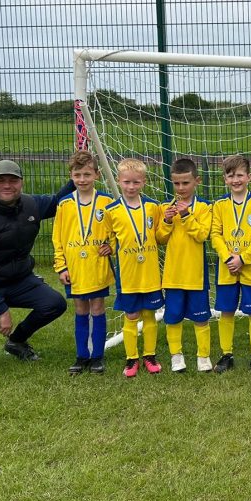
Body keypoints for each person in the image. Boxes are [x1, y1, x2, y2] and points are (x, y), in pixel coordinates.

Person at [0, 159, 74, 375]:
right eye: (0, 180)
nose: (7, 185)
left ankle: (16, 342)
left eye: (13, 180)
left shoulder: (31, 204)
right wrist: (2, 309)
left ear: (22, 183)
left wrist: (77, 178)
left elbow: (58, 201)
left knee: (54, 304)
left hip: (17, 279)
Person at [52, 150, 114, 375]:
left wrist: (112, 247)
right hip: (75, 267)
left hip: (97, 266)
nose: (82, 179)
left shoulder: (107, 202)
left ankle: (97, 356)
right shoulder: (65, 204)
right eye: (77, 175)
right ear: (71, 176)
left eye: (87, 174)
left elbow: (116, 232)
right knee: (80, 309)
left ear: (96, 175)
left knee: (97, 307)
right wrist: (61, 266)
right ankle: (81, 356)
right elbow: (57, 237)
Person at [104, 158, 164, 378]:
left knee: (149, 314)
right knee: (131, 315)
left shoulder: (152, 207)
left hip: (149, 273)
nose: (131, 187)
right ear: (119, 181)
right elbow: (110, 238)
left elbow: (158, 235)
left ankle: (150, 355)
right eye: (127, 182)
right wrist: (107, 247)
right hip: (128, 274)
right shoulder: (112, 210)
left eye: (136, 182)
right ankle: (131, 358)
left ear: (144, 182)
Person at [210, 155, 251, 372]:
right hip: (227, 268)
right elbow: (215, 234)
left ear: (249, 177)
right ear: (225, 179)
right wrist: (228, 257)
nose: (236, 180)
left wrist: (243, 258)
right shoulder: (219, 205)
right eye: (231, 175)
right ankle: (226, 354)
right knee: (226, 311)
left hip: (250, 267)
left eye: (240, 175)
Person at [156, 157, 213, 373]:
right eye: (177, 183)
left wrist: (186, 216)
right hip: (173, 275)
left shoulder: (205, 207)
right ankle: (176, 356)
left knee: (201, 318)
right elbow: (160, 238)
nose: (181, 188)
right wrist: (168, 221)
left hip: (196, 275)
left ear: (196, 181)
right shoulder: (166, 207)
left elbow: (202, 235)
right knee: (173, 318)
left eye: (185, 183)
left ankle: (203, 355)